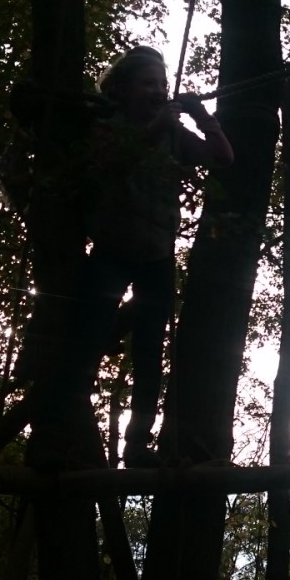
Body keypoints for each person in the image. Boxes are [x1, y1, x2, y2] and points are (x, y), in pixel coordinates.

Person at [83, 46, 232, 467]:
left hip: (156, 255)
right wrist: (155, 128)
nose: (158, 90)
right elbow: (110, 165)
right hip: (111, 250)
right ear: (123, 89)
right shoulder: (105, 125)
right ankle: (75, 428)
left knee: (149, 353)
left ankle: (136, 444)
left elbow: (222, 157)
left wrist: (200, 115)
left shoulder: (172, 134)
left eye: (162, 84)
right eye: (148, 83)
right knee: (89, 338)